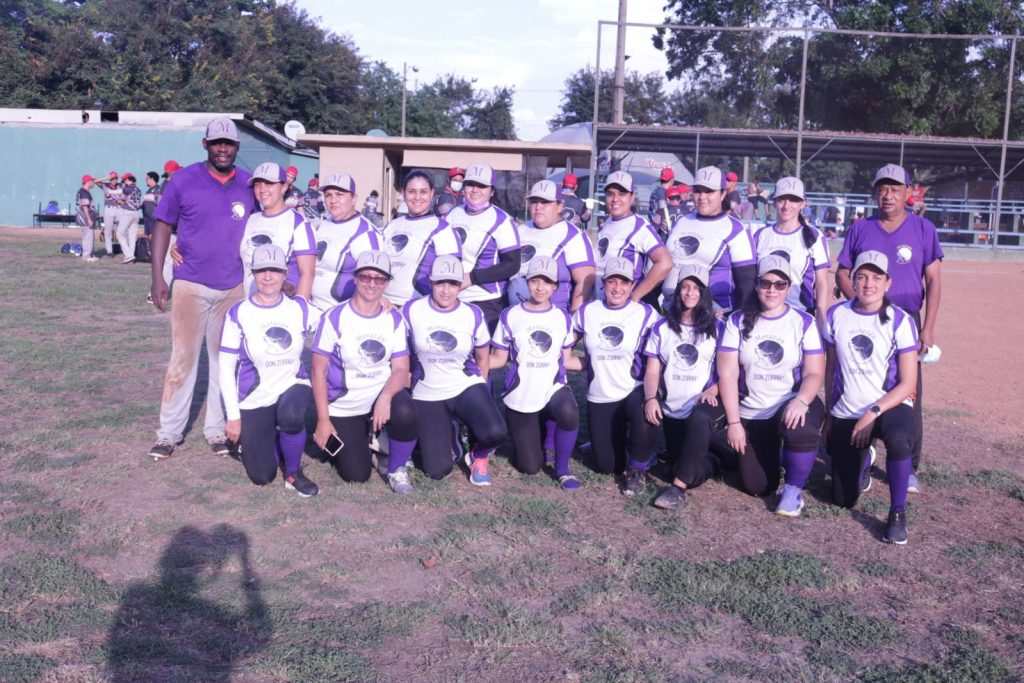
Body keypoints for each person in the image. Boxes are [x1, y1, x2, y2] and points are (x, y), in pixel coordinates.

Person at [148, 117, 256, 460]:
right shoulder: (184, 180)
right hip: (191, 283)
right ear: (205, 145)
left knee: (225, 362)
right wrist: (157, 277)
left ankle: (216, 430)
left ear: (237, 147)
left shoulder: (250, 184)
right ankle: (168, 433)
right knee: (183, 360)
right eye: (216, 143)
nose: (222, 149)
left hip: (233, 288)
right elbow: (163, 225)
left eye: (229, 143)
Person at [836, 163, 942, 494]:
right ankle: (861, 449)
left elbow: (934, 279)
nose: (888, 195)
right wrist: (861, 305)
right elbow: (842, 272)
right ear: (875, 192)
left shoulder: (924, 229)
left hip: (906, 318)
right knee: (857, 380)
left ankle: (907, 463)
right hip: (863, 317)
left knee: (908, 391)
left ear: (908, 193)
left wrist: (928, 327)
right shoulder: (860, 228)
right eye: (882, 188)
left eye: (895, 189)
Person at [716, 255, 825, 515]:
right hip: (752, 411)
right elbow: (728, 375)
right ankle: (781, 455)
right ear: (756, 284)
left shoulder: (804, 322)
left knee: (800, 428)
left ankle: (793, 490)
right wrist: (734, 423)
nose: (772, 290)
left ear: (789, 287)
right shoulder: (737, 321)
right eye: (766, 283)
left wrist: (800, 401)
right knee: (758, 485)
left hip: (789, 403)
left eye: (780, 284)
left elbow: (814, 373)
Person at [824, 251, 919, 544]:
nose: (868, 284)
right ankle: (864, 457)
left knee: (899, 438)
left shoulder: (900, 320)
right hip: (847, 409)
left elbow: (908, 383)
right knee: (842, 498)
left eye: (876, 277)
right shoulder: (836, 314)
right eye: (862, 276)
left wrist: (873, 412)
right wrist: (830, 415)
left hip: (888, 405)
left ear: (887, 282)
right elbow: (830, 370)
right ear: (852, 279)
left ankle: (897, 513)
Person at [311, 251, 419, 494]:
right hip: (344, 406)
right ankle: (366, 443)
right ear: (356, 278)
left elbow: (401, 369)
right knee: (356, 475)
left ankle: (395, 467)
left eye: (379, 279)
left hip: (378, 399)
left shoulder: (394, 319)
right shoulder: (334, 317)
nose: (372, 283)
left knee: (406, 410)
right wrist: (323, 419)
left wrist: (386, 396)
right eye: (365, 277)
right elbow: (318, 371)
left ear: (387, 283)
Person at [219, 244, 318, 496]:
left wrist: (380, 303)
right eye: (262, 270)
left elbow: (341, 320)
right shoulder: (238, 313)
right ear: (253, 273)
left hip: (291, 386)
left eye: (275, 270)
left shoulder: (300, 308)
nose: (268, 276)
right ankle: (270, 437)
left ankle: (293, 473)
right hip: (255, 397)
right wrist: (233, 416)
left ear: (285, 274)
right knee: (262, 475)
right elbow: (226, 368)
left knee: (292, 415)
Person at [403, 255, 508, 485]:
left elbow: (482, 357)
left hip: (463, 384)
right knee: (437, 470)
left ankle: (477, 456)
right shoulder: (411, 310)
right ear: (431, 283)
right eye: (440, 283)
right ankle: (450, 432)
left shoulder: (473, 313)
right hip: (427, 391)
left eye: (452, 284)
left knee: (496, 431)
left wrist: (479, 395)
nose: (446, 290)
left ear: (460, 285)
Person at [491, 256, 584, 489]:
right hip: (521, 394)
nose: (540, 287)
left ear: (555, 286)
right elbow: (499, 359)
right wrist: (472, 362)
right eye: (535, 281)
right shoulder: (510, 315)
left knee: (568, 410)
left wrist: (602, 363)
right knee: (530, 467)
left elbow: (567, 360)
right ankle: (539, 436)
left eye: (547, 282)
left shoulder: (562, 317)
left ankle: (562, 469)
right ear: (527, 282)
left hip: (552, 387)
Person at [573, 257, 660, 495]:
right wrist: (587, 364)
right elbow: (563, 350)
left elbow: (669, 342)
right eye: (612, 281)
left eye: (624, 282)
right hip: (600, 393)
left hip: (634, 387)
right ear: (604, 283)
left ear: (632, 285)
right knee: (607, 466)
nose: (617, 288)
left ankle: (638, 469)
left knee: (645, 409)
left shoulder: (645, 313)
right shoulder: (588, 311)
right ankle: (618, 443)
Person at [643, 265, 724, 509]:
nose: (690, 293)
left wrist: (714, 389)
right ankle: (717, 460)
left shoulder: (718, 328)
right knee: (676, 466)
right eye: (685, 287)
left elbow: (732, 371)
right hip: (673, 409)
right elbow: (652, 370)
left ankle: (677, 491)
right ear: (678, 291)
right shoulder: (661, 327)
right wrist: (650, 398)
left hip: (703, 405)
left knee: (682, 470)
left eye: (696, 288)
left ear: (704, 293)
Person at [662, 166, 756, 315]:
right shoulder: (682, 221)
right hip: (672, 312)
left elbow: (747, 282)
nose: (702, 197)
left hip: (712, 316)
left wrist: (733, 317)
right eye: (698, 190)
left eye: (709, 191)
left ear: (723, 194)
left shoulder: (735, 229)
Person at [444, 163, 521, 332]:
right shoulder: (452, 215)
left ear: (491, 191)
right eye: (471, 184)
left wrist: (471, 278)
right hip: (450, 297)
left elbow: (513, 264)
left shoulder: (501, 220)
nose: (475, 190)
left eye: (482, 186)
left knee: (479, 357)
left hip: (486, 301)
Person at [752, 177, 831, 325]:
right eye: (782, 199)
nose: (786, 205)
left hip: (800, 316)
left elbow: (822, 284)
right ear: (774, 202)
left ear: (803, 203)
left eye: (793, 200)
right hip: (763, 315)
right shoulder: (761, 236)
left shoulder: (814, 237)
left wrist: (821, 323)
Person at [507, 180, 595, 312]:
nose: (538, 207)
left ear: (560, 206)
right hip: (516, 316)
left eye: (545, 202)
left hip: (553, 319)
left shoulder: (573, 235)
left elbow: (585, 282)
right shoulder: (521, 229)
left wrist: (574, 319)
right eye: (534, 201)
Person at [381, 169, 462, 306]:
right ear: (403, 193)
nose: (417, 197)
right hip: (384, 305)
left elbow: (451, 278)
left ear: (432, 194)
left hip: (419, 307)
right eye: (412, 191)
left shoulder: (442, 229)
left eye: (423, 192)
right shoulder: (391, 226)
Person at [309, 172, 381, 322]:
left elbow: (374, 281)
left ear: (354, 198)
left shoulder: (366, 233)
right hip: (313, 313)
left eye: (339, 194)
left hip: (342, 319)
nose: (333, 200)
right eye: (328, 195)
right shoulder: (324, 224)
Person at [238, 162, 316, 301]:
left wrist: (300, 308)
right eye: (258, 184)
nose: (262, 189)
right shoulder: (252, 219)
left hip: (283, 306)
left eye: (269, 183)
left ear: (284, 187)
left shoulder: (298, 222)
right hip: (251, 304)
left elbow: (307, 273)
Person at [593, 171, 672, 305]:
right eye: (610, 194)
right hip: (603, 305)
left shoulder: (640, 227)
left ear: (632, 197)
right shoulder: (607, 223)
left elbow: (665, 263)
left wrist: (634, 297)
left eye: (622, 194)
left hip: (624, 309)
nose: (615, 199)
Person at [117, 172, 142, 264]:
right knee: (132, 236)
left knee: (119, 233)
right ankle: (131, 257)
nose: (123, 182)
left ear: (128, 180)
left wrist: (118, 201)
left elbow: (122, 200)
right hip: (136, 213)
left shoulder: (126, 188)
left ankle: (129, 255)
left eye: (124, 180)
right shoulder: (138, 189)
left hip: (127, 212)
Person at [75, 174, 99, 263]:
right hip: (85, 220)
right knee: (88, 238)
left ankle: (88, 255)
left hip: (85, 219)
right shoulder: (84, 192)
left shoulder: (83, 191)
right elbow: (85, 207)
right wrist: (89, 219)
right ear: (88, 182)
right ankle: (87, 256)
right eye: (92, 181)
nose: (93, 182)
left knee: (88, 238)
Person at [99, 171, 123, 258]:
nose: (114, 180)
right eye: (112, 179)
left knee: (123, 229)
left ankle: (124, 249)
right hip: (109, 209)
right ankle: (109, 251)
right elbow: (95, 181)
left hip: (119, 208)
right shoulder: (105, 186)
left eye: (115, 179)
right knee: (108, 231)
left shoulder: (121, 185)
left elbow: (131, 181)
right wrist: (106, 178)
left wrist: (120, 176)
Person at [648, 167, 675, 235]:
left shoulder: (655, 191)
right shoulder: (662, 193)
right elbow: (663, 210)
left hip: (653, 225)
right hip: (659, 228)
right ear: (672, 180)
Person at [142, 172, 161, 237]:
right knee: (148, 237)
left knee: (154, 237)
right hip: (147, 219)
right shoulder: (148, 191)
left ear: (152, 179)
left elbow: (160, 203)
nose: (146, 180)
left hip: (154, 219)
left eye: (147, 179)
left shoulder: (158, 189)